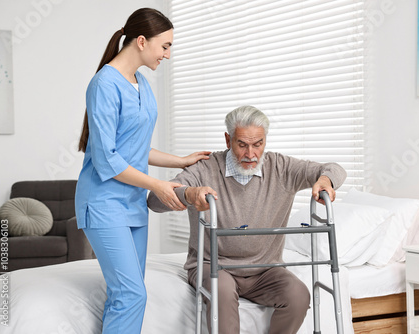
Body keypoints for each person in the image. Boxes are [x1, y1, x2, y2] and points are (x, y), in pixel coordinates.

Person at [148, 105, 347, 334]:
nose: (251, 154)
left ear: (265, 141)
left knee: (298, 295)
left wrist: (325, 181)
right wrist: (188, 194)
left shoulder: (281, 167)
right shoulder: (204, 168)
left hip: (264, 270)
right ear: (228, 140)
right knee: (222, 292)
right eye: (242, 144)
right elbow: (154, 201)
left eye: (257, 144)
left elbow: (335, 169)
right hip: (212, 266)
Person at [74, 8, 210, 334]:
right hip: (104, 204)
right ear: (140, 41)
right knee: (131, 293)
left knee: (130, 293)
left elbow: (136, 150)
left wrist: (181, 160)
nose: (167, 54)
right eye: (165, 46)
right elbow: (108, 159)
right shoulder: (104, 85)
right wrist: (159, 186)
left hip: (133, 205)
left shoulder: (142, 86)